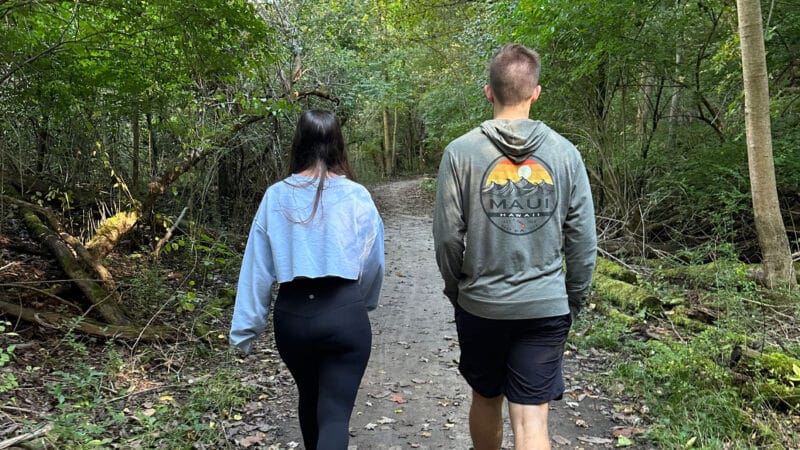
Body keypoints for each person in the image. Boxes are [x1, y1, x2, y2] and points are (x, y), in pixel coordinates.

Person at [432, 44, 597, 450]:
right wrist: (573, 297)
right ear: (535, 92)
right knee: (532, 417)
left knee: (486, 398)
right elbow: (583, 238)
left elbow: (448, 237)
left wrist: (458, 289)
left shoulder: (460, 153)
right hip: (544, 306)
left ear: (488, 91)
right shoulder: (565, 154)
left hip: (481, 304)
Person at [230, 110, 384, 450]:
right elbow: (373, 264)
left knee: (309, 398)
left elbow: (257, 266)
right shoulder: (357, 195)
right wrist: (365, 300)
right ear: (338, 144)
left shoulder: (275, 196)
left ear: (298, 143)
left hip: (294, 317)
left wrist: (246, 328)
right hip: (344, 311)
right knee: (334, 415)